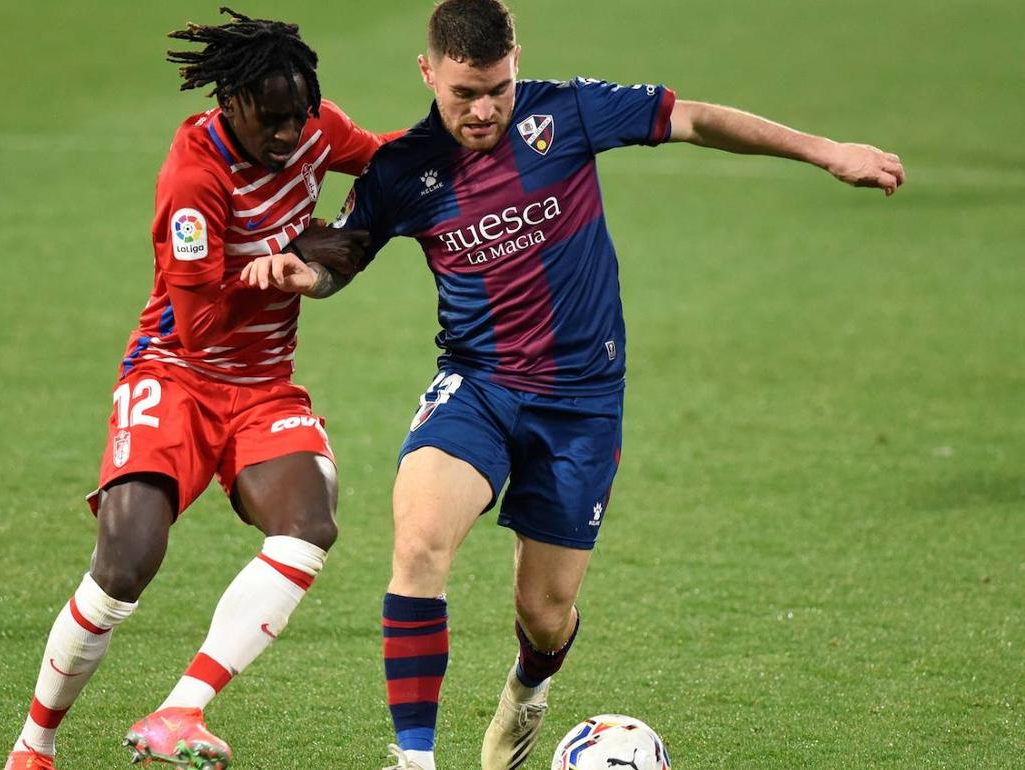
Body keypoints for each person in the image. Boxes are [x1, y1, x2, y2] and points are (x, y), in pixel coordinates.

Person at [239, 1, 906, 768]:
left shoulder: (567, 112)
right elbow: (340, 255)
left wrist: (826, 151)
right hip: (478, 386)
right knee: (419, 543)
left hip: (583, 403)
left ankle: (528, 690)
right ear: (428, 74)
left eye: (497, 87)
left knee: (545, 613)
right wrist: (307, 273)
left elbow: (694, 119)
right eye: (464, 94)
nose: (484, 109)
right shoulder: (403, 168)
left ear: (516, 58)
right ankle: (414, 758)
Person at [3, 8, 396, 770]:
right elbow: (200, 322)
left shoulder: (316, 130)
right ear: (231, 103)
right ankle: (34, 746)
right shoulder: (195, 177)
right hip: (175, 372)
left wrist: (350, 247)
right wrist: (292, 255)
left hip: (263, 389)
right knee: (124, 563)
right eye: (272, 120)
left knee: (309, 524)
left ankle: (181, 709)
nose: (289, 136)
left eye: (300, 115)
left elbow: (387, 167)